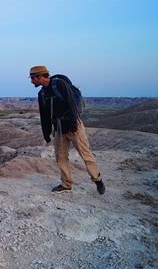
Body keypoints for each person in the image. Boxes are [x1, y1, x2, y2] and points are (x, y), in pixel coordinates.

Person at [29, 65, 105, 194]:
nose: (31, 82)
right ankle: (66, 184)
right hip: (59, 128)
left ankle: (97, 179)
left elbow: (72, 104)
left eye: (33, 78)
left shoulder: (59, 84)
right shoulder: (41, 94)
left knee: (85, 154)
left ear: (40, 76)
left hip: (73, 126)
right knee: (61, 157)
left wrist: (73, 123)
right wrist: (46, 132)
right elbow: (45, 115)